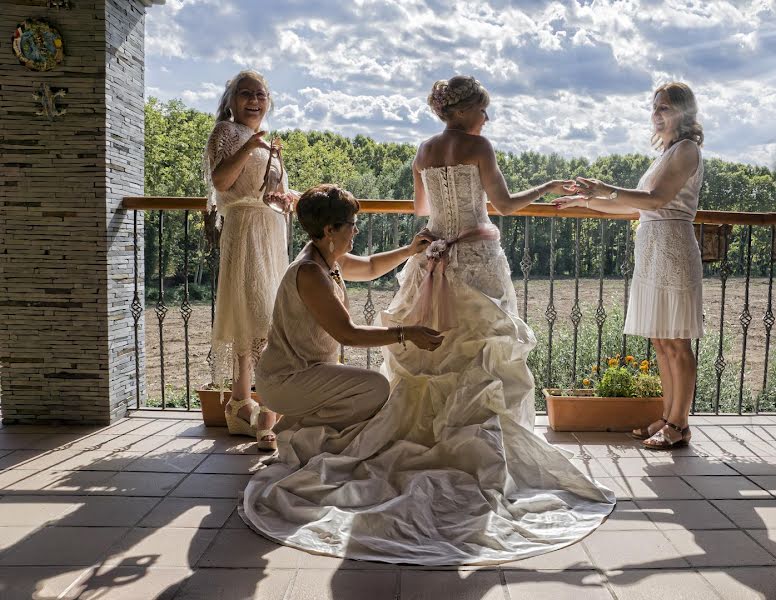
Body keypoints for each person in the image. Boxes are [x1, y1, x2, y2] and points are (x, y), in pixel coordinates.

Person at [240, 77, 615, 565]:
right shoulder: (478, 145)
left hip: (434, 254)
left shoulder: (424, 148)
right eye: (485, 109)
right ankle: (477, 445)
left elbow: (421, 209)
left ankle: (426, 436)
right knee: (482, 355)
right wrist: (548, 187)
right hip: (476, 260)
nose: (488, 118)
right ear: (466, 113)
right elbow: (504, 205)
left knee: (433, 362)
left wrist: (431, 232)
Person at [554, 81, 704, 450]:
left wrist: (604, 187)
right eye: (655, 107)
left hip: (672, 248)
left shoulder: (686, 150)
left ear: (684, 112)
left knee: (677, 341)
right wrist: (586, 203)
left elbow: (656, 199)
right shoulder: (664, 154)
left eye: (665, 107)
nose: (657, 114)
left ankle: (679, 426)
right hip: (652, 248)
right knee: (660, 339)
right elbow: (633, 207)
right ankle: (668, 417)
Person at [254, 184, 443, 460]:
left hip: (307, 371)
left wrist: (410, 250)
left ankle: (293, 425)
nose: (355, 230)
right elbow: (348, 335)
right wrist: (408, 333)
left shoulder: (328, 258)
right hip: (286, 379)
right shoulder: (310, 272)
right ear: (330, 230)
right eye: (351, 224)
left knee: (370, 388)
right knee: (375, 388)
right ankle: (296, 435)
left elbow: (369, 267)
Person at [204, 70, 296, 450]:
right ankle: (267, 411)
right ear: (232, 100)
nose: (255, 100)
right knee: (256, 316)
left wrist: (288, 199)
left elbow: (271, 192)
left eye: (261, 94)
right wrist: (252, 146)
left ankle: (241, 404)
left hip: (270, 232)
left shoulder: (266, 142)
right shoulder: (226, 132)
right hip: (244, 232)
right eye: (246, 94)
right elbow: (221, 182)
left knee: (264, 315)